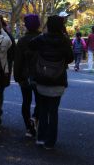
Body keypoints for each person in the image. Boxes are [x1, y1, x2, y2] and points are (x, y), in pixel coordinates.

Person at [28, 15, 73, 150]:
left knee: (42, 109)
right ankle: (50, 142)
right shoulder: (64, 40)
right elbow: (70, 58)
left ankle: (41, 138)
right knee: (53, 112)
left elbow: (31, 45)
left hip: (42, 77)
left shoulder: (42, 39)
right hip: (58, 79)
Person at [14, 14, 42, 138]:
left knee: (26, 101)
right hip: (40, 76)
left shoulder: (22, 41)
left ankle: (29, 128)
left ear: (26, 26)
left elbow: (18, 61)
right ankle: (35, 118)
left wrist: (17, 77)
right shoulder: (42, 39)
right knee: (40, 101)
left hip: (25, 76)